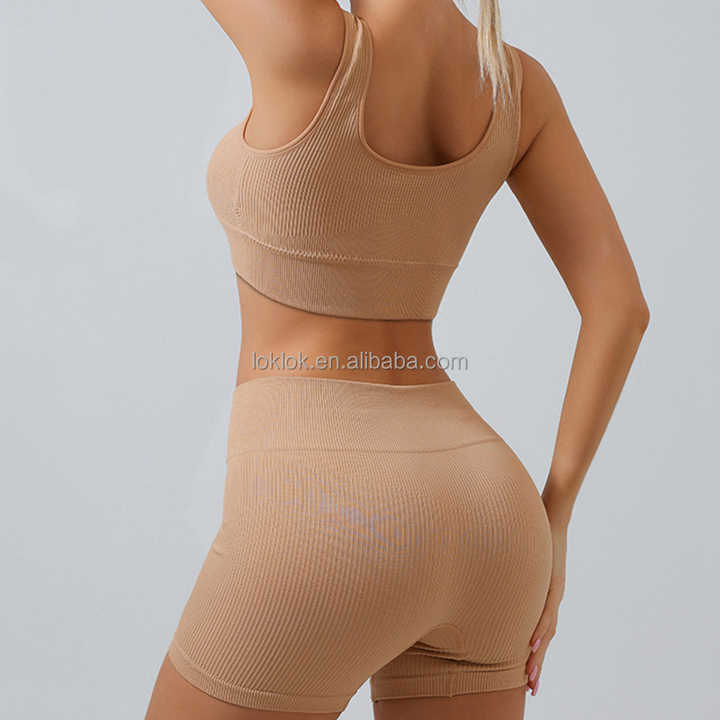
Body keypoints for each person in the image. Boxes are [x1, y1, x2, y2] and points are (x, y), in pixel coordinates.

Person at [145, 1, 649, 718]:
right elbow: (621, 307)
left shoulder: (305, 36)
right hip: (494, 521)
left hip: (321, 504)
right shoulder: (516, 86)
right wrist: (554, 523)